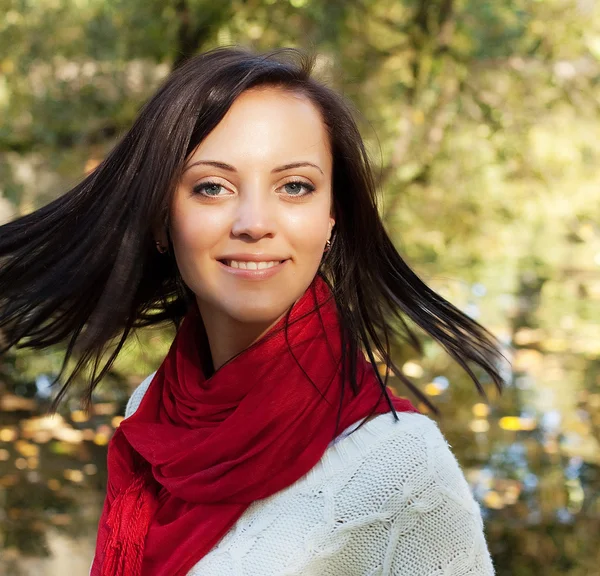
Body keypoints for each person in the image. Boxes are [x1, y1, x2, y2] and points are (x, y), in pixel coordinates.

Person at [0, 47, 505, 575]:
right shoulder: (152, 406)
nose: (254, 222)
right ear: (159, 221)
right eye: (212, 187)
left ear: (332, 217)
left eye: (294, 186)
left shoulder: (402, 466)